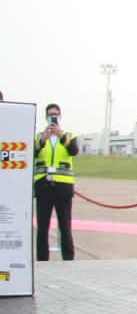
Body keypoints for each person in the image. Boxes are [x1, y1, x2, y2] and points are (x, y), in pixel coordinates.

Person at [34, 102, 81, 261]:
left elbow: (74, 151)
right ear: (46, 117)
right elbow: (32, 154)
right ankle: (42, 259)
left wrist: (62, 136)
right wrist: (42, 141)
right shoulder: (38, 136)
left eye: (55, 114)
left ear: (60, 116)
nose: (52, 118)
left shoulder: (69, 135)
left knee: (65, 226)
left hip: (63, 187)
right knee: (42, 228)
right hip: (43, 186)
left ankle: (68, 258)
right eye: (50, 115)